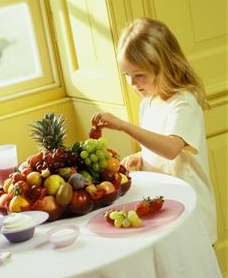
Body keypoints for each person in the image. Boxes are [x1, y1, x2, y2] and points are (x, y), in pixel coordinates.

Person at [91, 18, 217, 244]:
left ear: (164, 66)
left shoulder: (184, 104)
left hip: (190, 210)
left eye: (139, 75)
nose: (132, 82)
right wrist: (142, 156)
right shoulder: (148, 102)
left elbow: (171, 148)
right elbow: (159, 146)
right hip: (164, 206)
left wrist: (123, 126)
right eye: (126, 74)